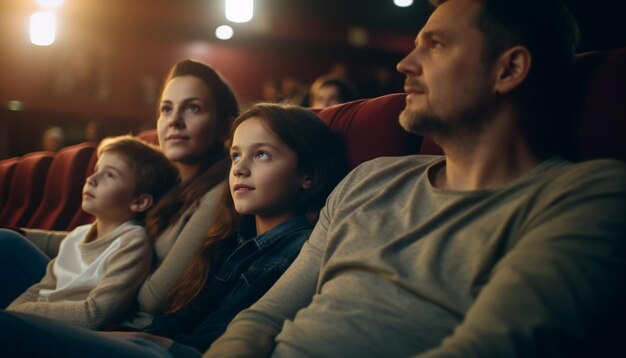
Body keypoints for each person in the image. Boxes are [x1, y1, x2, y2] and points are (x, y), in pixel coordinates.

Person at [205, 0, 626, 357]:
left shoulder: (588, 195)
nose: (405, 64)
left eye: (436, 46)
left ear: (509, 69)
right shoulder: (370, 178)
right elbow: (263, 317)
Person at [0, 103, 345, 357]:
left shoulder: (297, 249)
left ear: (308, 175)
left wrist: (143, 339)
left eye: (263, 156)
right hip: (158, 340)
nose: (240, 169)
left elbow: (228, 334)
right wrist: (141, 335)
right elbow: (184, 316)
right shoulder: (234, 235)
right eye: (237, 156)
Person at [0, 59, 240, 328]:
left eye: (193, 108)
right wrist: (22, 232)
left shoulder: (218, 192)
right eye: (166, 109)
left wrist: (117, 277)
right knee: (6, 242)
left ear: (225, 128)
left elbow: (154, 299)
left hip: (122, 320)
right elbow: (102, 239)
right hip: (96, 286)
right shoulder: (167, 184)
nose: (174, 121)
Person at [6, 136, 178, 329]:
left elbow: (94, 315)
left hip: (71, 331)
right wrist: (15, 311)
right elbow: (42, 288)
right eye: (97, 170)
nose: (91, 179)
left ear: (139, 202)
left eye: (110, 175)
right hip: (41, 316)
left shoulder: (133, 242)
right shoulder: (77, 235)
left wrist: (17, 314)